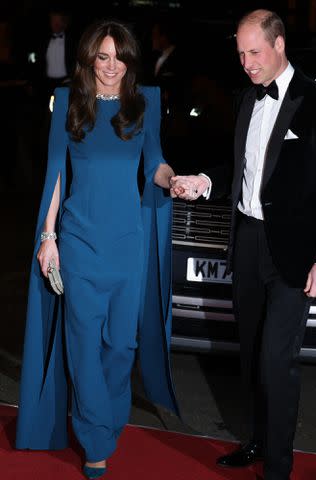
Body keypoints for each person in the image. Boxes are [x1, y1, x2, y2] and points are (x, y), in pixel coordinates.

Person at [170, 9, 316, 480]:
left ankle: (278, 466)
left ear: (279, 45)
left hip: (296, 254)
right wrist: (206, 180)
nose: (247, 63)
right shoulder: (245, 101)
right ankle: (255, 439)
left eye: (255, 53)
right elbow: (241, 168)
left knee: (277, 359)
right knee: (252, 355)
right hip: (248, 241)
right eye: (240, 54)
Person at [15, 18, 179, 479]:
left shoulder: (147, 102)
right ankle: (95, 441)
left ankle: (105, 420)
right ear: (90, 60)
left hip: (128, 246)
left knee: (121, 346)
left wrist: (176, 179)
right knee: (83, 344)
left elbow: (157, 164)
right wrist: (48, 239)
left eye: (119, 57)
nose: (111, 66)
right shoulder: (68, 102)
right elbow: (55, 173)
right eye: (102, 57)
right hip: (80, 242)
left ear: (130, 59)